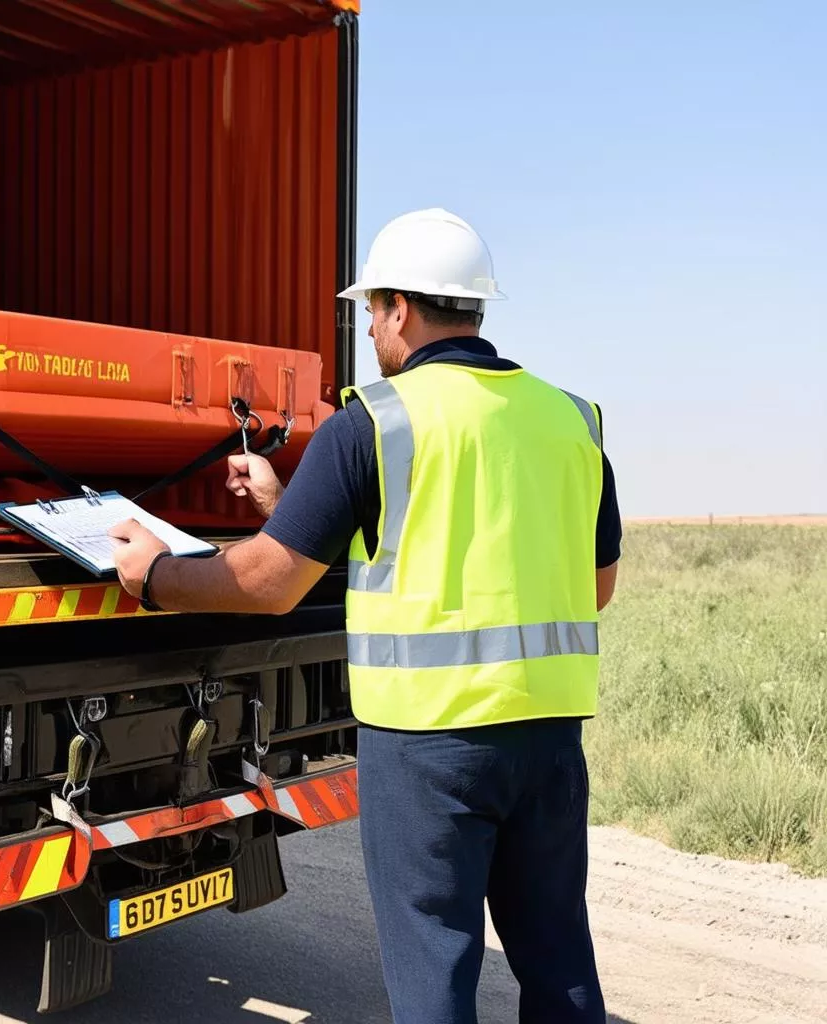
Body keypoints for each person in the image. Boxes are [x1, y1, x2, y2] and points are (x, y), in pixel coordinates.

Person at [110, 208, 621, 1024]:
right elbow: (593, 585)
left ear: (401, 311)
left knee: (434, 967)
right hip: (550, 740)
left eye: (371, 313)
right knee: (559, 960)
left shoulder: (375, 421)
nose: (370, 331)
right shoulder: (573, 419)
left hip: (429, 751)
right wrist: (292, 505)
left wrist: (154, 576)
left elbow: (269, 582)